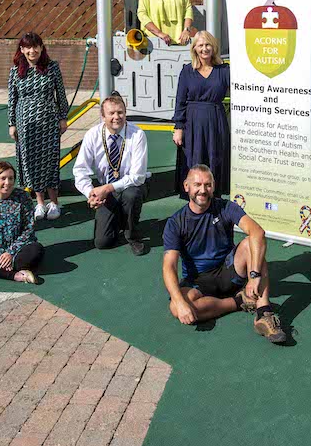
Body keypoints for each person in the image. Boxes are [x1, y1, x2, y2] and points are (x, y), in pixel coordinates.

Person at [162, 165, 286, 344]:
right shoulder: (175, 223)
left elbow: (257, 232)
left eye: (208, 185)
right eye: (197, 184)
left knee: (251, 243)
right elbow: (169, 266)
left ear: (214, 186)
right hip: (198, 281)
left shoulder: (226, 207)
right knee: (176, 307)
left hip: (230, 270)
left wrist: (255, 275)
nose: (203, 190)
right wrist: (180, 303)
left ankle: (263, 312)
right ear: (186, 186)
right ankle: (238, 302)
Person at [73, 94, 151, 255]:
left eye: (120, 112)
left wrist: (107, 188)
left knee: (131, 195)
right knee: (102, 242)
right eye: (111, 113)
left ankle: (133, 236)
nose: (117, 117)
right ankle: (117, 219)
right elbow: (80, 171)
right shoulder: (92, 135)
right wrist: (91, 193)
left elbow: (138, 176)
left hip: (132, 186)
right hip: (106, 191)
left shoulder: (137, 134)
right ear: (103, 116)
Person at [7, 32, 69, 221]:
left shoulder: (52, 68)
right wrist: (12, 123)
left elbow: (61, 95)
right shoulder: (16, 70)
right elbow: (12, 99)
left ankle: (54, 202)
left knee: (49, 160)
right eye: (28, 47)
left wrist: (63, 117)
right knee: (31, 162)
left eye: (36, 46)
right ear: (22, 49)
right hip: (25, 122)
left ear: (42, 48)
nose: (32, 50)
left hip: (48, 120)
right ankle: (40, 203)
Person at [173, 31, 230, 197]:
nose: (204, 49)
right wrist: (178, 127)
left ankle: (213, 194)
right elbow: (180, 101)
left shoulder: (224, 70)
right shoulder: (187, 71)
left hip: (216, 121)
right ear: (194, 49)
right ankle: (194, 194)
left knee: (215, 157)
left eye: (207, 45)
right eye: (200, 45)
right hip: (192, 123)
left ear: (213, 47)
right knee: (193, 159)